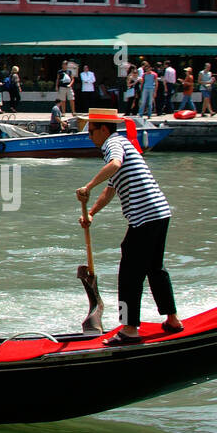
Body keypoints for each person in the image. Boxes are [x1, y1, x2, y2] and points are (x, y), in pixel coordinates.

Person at [77, 107, 181, 345]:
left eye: (91, 132)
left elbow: (114, 164)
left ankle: (130, 329)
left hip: (145, 216)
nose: (89, 137)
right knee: (155, 268)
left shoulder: (112, 144)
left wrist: (88, 186)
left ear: (104, 129)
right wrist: (91, 213)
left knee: (129, 274)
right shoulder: (123, 143)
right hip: (159, 213)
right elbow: (111, 189)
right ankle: (172, 319)